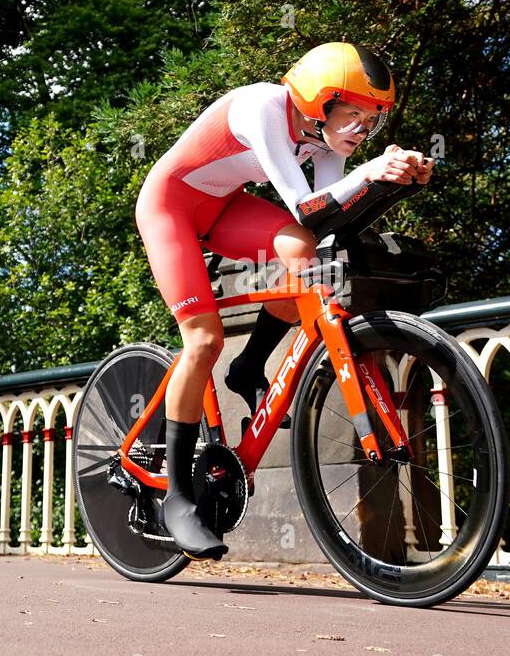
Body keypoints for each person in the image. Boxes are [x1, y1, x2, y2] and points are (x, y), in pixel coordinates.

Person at [134, 42, 435, 559]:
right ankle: (178, 497)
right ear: (319, 103)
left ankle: (249, 366)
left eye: (371, 120)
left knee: (305, 260)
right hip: (171, 207)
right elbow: (307, 206)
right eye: (354, 115)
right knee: (202, 341)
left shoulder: (326, 140)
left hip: (225, 206)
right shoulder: (263, 109)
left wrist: (395, 182)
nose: (361, 130)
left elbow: (327, 223)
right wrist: (371, 172)